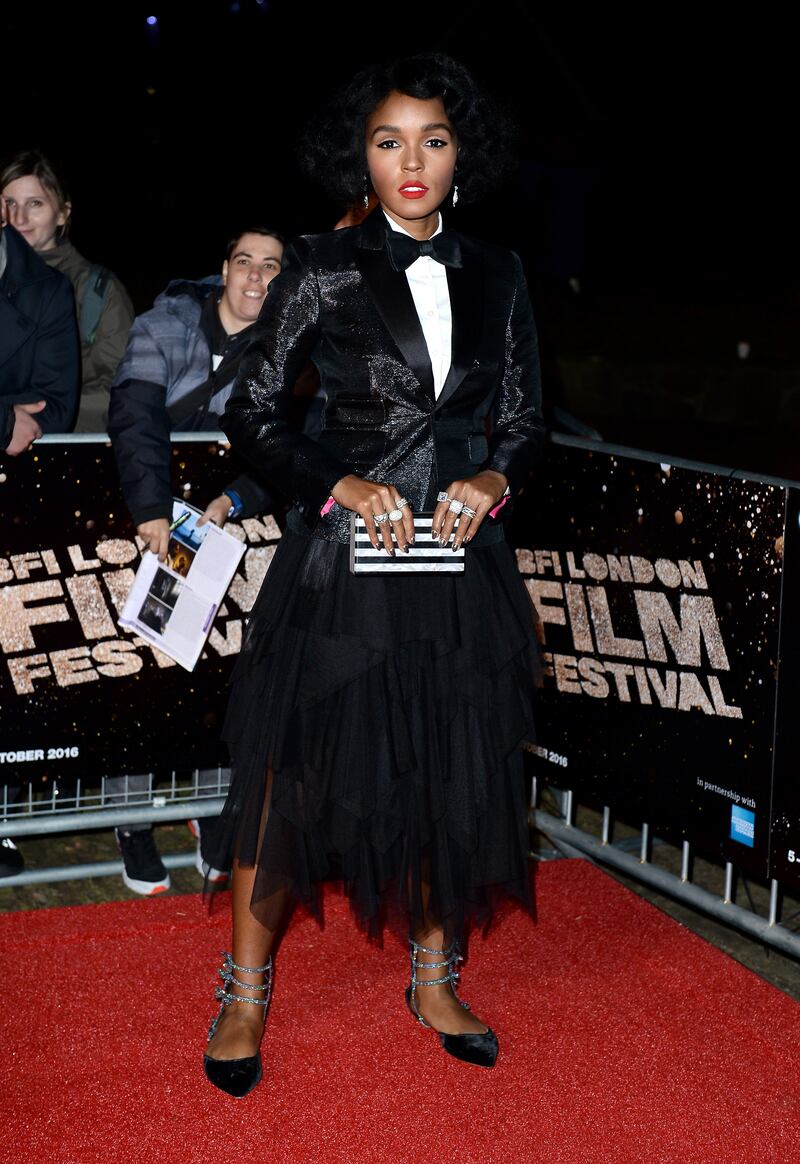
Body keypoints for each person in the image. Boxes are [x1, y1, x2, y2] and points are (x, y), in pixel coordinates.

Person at [202, 51, 544, 1098]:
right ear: (361, 151)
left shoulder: (499, 272)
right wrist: (338, 484)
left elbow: (524, 422)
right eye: (389, 139)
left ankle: (433, 981)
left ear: (460, 154)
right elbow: (250, 414)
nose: (411, 160)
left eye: (432, 139)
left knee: (448, 767)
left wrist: (491, 476)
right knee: (289, 780)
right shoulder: (321, 264)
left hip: (456, 569)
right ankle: (246, 993)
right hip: (342, 568)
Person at [0, 197, 80, 877]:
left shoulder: (49, 290)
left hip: (12, 504)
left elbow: (56, 401)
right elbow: (16, 418)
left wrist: (19, 424)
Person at [0, 150, 135, 432]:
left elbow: (122, 386)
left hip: (64, 451)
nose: (19, 218)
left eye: (35, 204)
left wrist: (37, 417)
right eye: (9, 203)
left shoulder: (98, 291)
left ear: (62, 213)